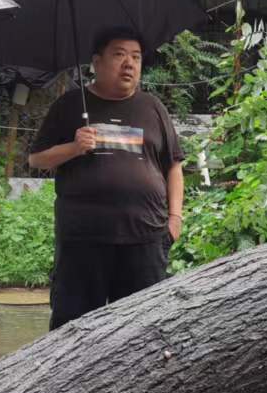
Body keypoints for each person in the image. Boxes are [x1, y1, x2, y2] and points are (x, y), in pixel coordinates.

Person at [28, 28, 185, 330]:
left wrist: (175, 219)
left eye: (136, 57)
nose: (129, 63)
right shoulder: (71, 105)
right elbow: (36, 159)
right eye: (119, 54)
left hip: (145, 240)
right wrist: (74, 148)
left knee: (143, 330)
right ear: (96, 62)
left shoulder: (153, 107)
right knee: (73, 329)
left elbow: (174, 166)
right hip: (83, 243)